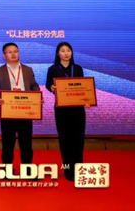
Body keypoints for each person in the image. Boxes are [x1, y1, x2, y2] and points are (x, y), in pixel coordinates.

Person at [0, 43, 40, 166]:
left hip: (25, 111)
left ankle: (27, 171)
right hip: (8, 112)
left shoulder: (28, 70)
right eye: (9, 52)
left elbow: (34, 85)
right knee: (8, 144)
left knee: (26, 143)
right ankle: (7, 171)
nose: (13, 54)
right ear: (4, 55)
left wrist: (37, 96)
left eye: (15, 51)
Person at [46, 42, 89, 181]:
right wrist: (52, 88)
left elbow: (84, 87)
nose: (66, 53)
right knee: (65, 140)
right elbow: (48, 85)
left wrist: (87, 100)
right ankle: (67, 169)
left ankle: (79, 169)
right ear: (58, 53)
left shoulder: (78, 68)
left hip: (78, 110)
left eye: (68, 50)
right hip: (62, 110)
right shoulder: (53, 69)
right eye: (63, 50)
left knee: (78, 140)